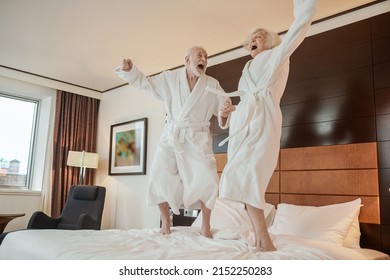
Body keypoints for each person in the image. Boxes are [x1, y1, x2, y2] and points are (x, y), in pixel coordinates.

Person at [207, 0, 317, 251]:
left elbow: (298, 29)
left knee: (252, 177)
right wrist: (228, 112)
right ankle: (261, 237)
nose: (254, 40)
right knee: (240, 178)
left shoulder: (277, 56)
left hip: (264, 119)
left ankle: (264, 238)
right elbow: (245, 100)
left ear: (269, 42)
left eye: (260, 36)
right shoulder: (246, 68)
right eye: (252, 38)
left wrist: (305, 8)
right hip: (243, 122)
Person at [115, 46, 234, 238]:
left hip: (197, 136)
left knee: (208, 179)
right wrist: (131, 71)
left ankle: (205, 225)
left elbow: (223, 105)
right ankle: (166, 221)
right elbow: (147, 84)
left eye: (206, 56)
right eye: (199, 55)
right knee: (159, 176)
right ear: (187, 60)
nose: (204, 58)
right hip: (172, 134)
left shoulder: (211, 84)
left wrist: (224, 111)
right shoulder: (169, 79)